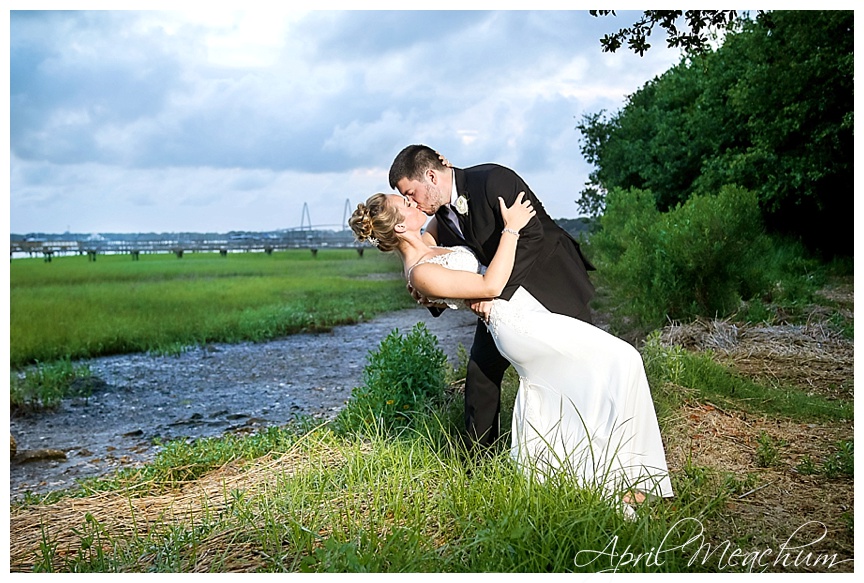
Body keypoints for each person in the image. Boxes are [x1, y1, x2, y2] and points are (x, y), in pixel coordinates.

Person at [348, 192, 673, 506]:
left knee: (565, 387)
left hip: (522, 311)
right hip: (513, 325)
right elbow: (491, 286)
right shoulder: (420, 272)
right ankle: (634, 479)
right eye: (405, 203)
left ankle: (592, 475)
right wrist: (512, 228)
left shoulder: (426, 245)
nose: (413, 201)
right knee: (624, 357)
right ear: (401, 226)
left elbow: (439, 218)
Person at [388, 145, 595, 448]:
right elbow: (435, 256)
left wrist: (495, 293)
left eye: (411, 193)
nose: (412, 202)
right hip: (498, 296)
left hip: (552, 280)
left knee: (582, 361)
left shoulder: (494, 180)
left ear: (431, 176)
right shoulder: (439, 208)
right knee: (481, 371)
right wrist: (427, 290)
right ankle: (478, 459)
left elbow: (532, 236)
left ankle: (587, 440)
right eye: (405, 198)